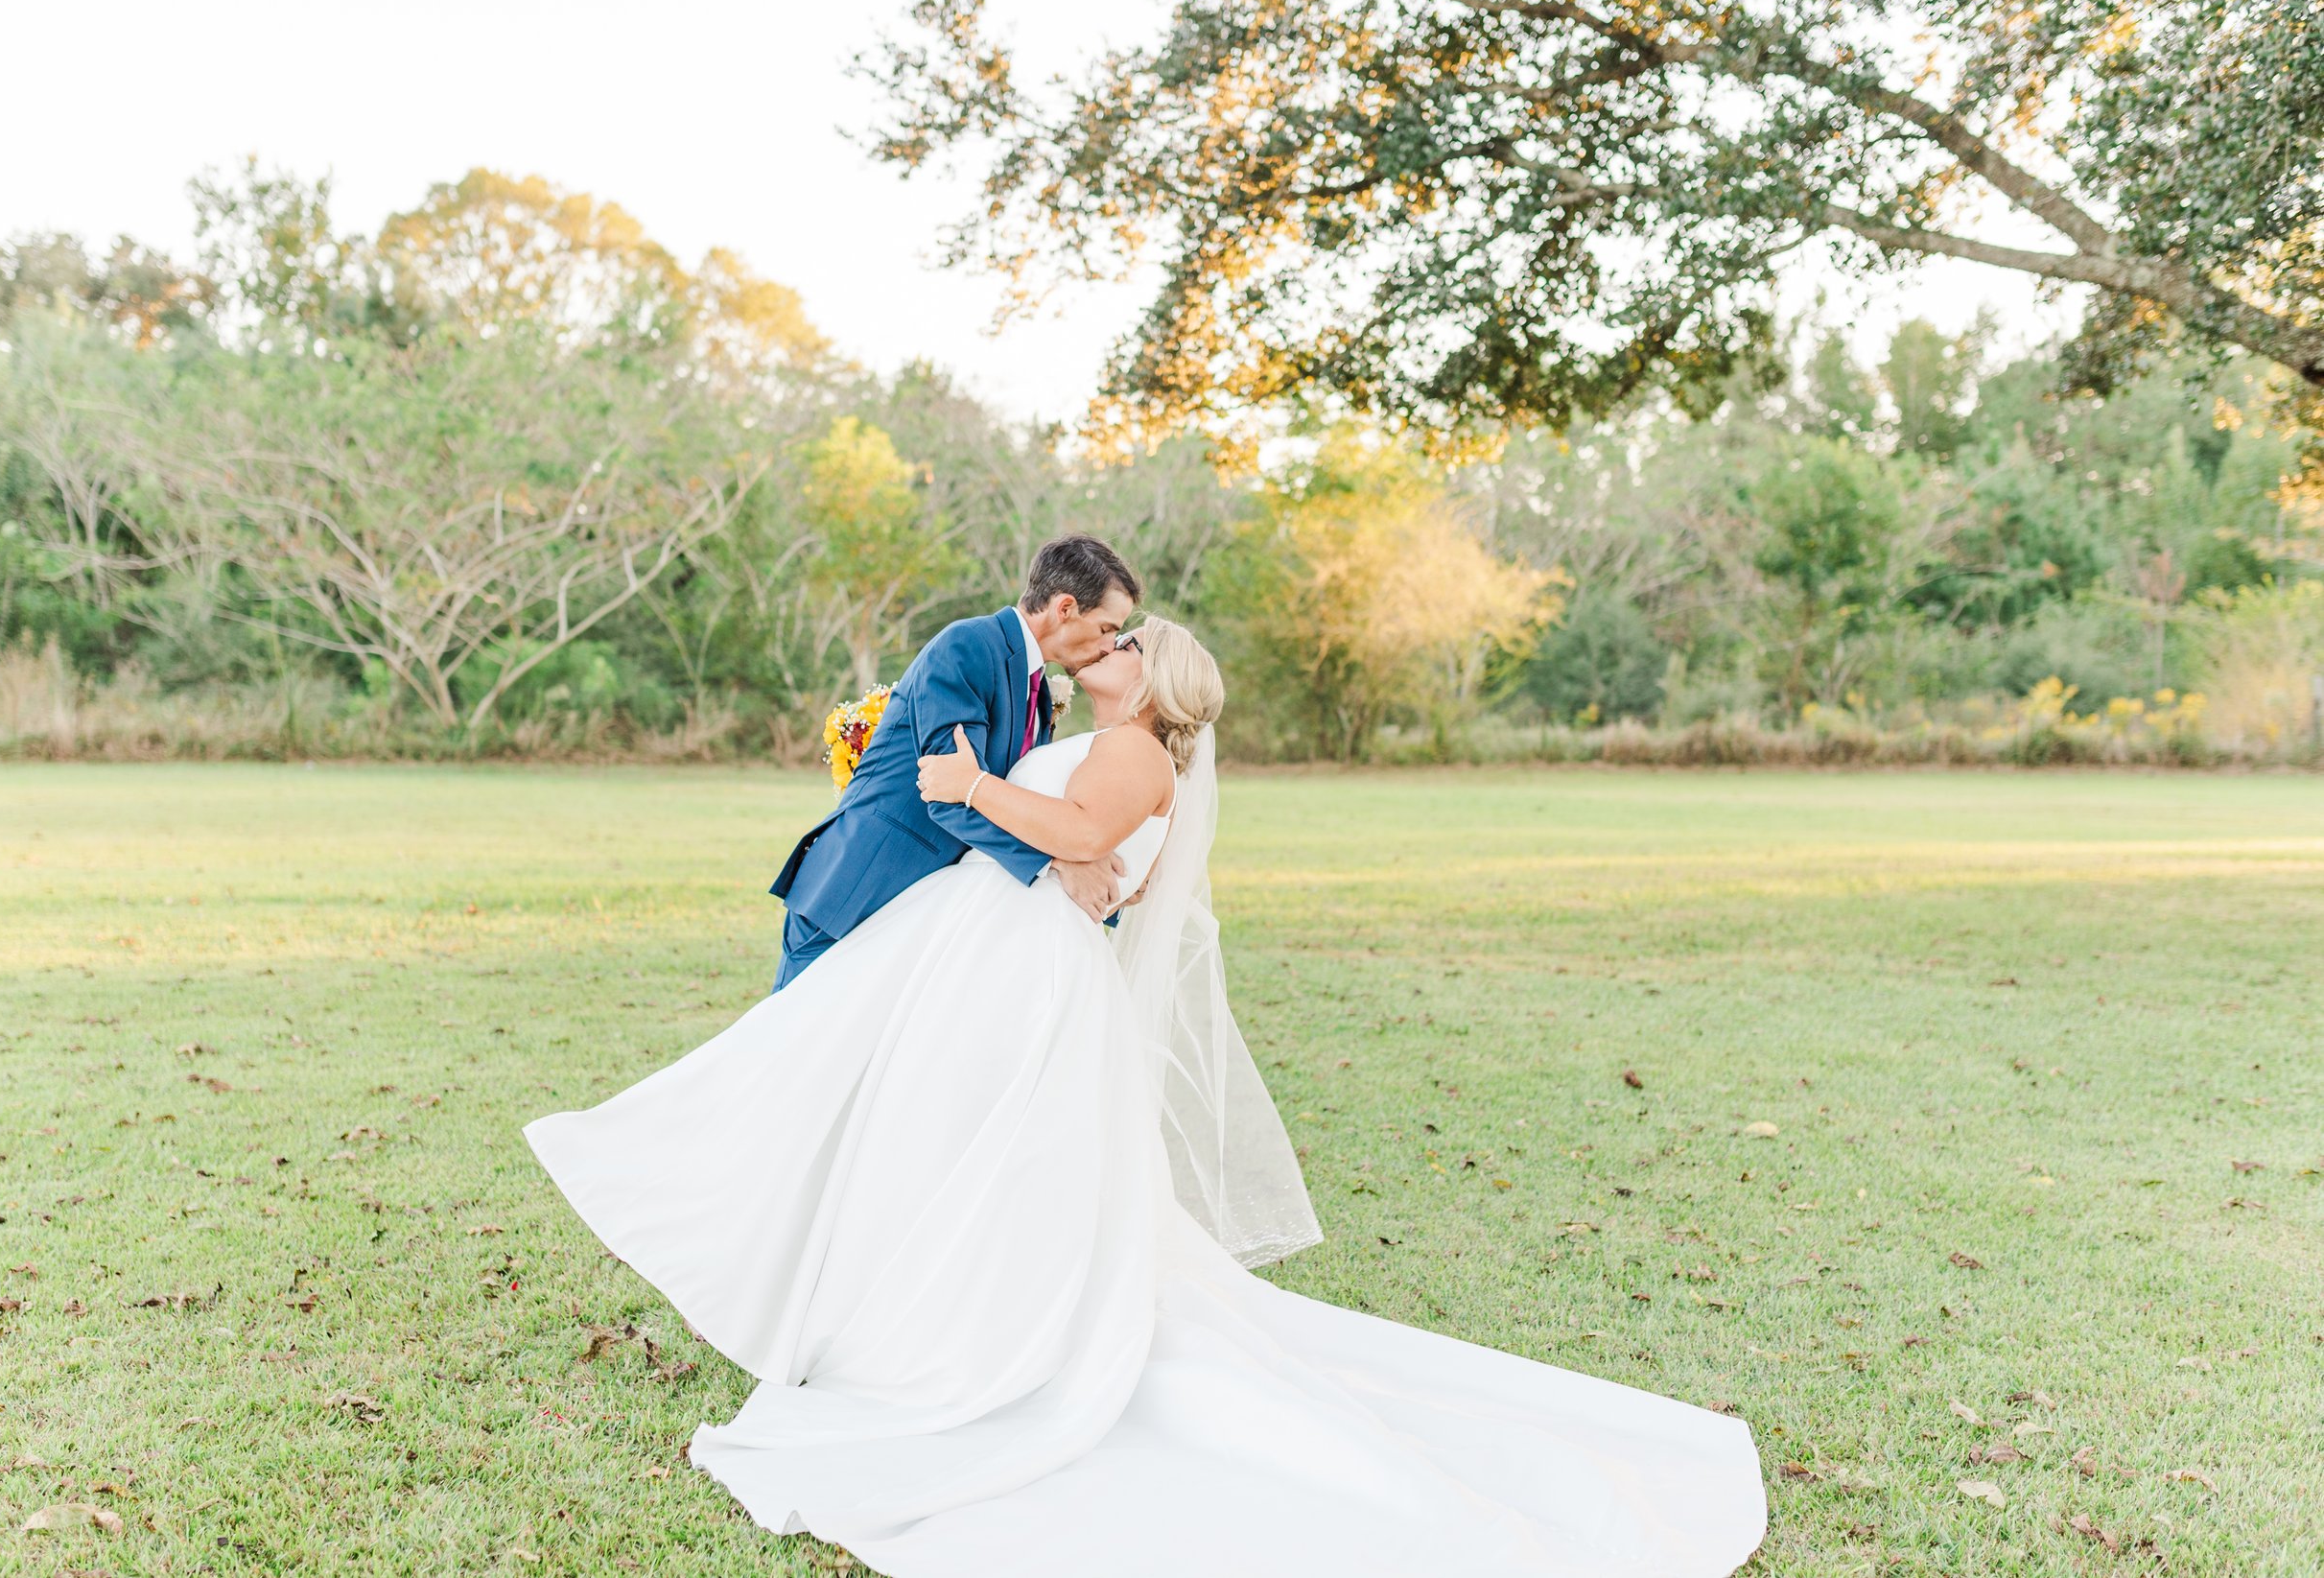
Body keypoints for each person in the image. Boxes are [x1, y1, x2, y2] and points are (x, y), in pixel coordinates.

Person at [523, 617, 1767, 1576]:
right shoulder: (1107, 741)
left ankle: (966, 1349)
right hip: (995, 964)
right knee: (942, 1149)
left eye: (1124, 644)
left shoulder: (1132, 753)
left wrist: (964, 793)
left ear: (1155, 678)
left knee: (991, 1161)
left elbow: (1079, 846)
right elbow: (1091, 866)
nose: (1101, 648)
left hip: (1030, 988)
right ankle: (896, 1315)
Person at [765, 532, 1140, 990]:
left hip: (924, 911)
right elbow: (948, 793)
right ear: (1064, 609)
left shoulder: (1039, 688)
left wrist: (1118, 880)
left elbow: (1012, 801)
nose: (1109, 645)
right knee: (792, 1054)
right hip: (860, 890)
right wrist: (1060, 862)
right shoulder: (968, 648)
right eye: (1107, 628)